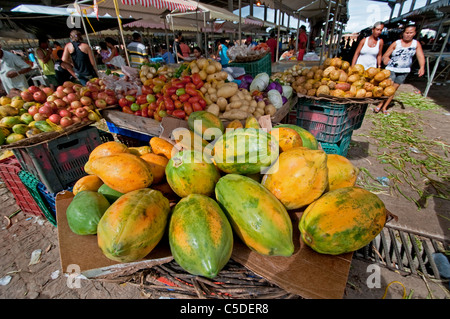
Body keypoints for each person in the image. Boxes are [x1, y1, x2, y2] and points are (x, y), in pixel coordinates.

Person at [374, 24, 425, 115]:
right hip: (392, 68)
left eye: (411, 33)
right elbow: (385, 55)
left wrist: (422, 67)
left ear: (414, 33)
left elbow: (420, 56)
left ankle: (385, 107)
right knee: (388, 88)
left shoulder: (416, 44)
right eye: (406, 32)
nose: (408, 35)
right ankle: (380, 104)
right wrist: (386, 59)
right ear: (403, 33)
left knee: (393, 89)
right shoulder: (396, 43)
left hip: (404, 71)